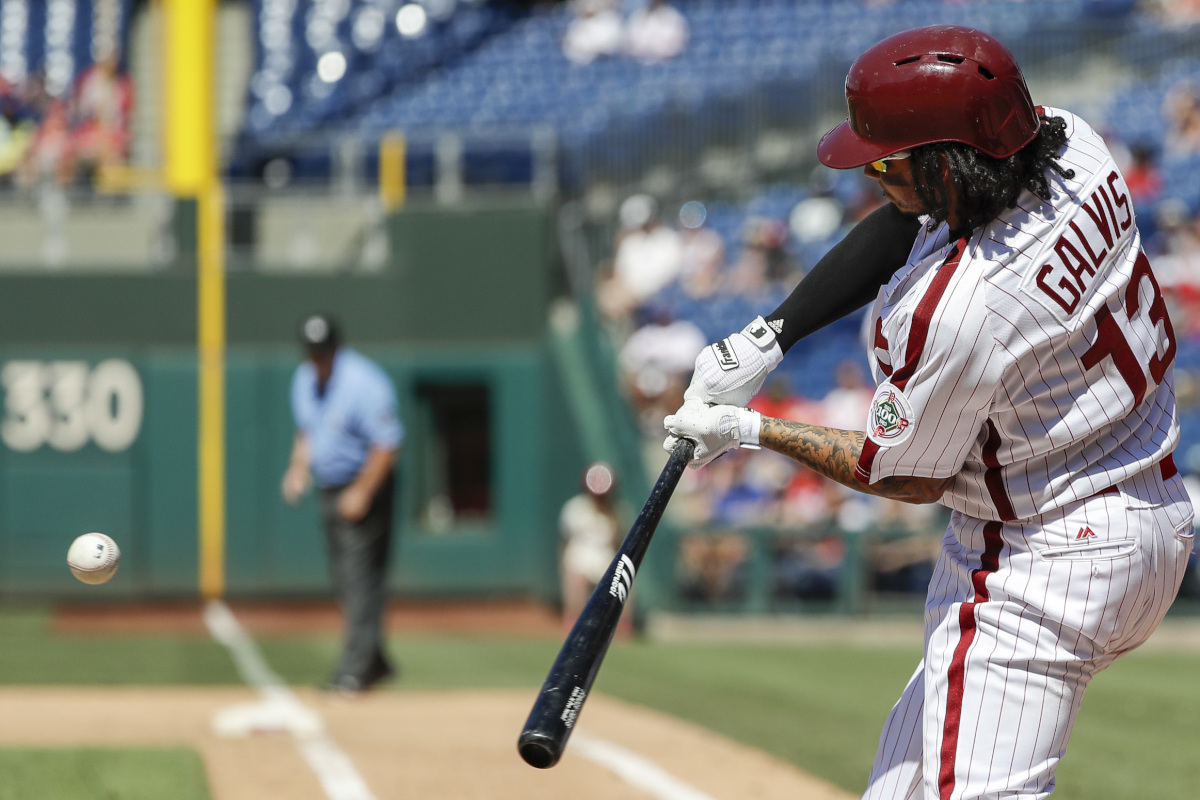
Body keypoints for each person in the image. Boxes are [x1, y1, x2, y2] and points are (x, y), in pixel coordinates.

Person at [663, 25, 1193, 799]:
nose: (872, 178)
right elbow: (922, 210)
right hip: (1155, 514)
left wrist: (751, 429)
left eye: (887, 163)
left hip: (1042, 560)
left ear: (949, 167)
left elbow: (902, 476)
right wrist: (772, 334)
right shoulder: (1076, 147)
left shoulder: (960, 307)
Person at [281, 314, 404, 695]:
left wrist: (363, 491)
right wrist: (297, 468)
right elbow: (307, 431)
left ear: (336, 349)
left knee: (360, 580)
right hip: (329, 488)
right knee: (345, 582)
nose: (317, 359)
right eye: (311, 352)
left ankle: (354, 670)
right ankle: (376, 660)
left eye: (323, 352)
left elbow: (387, 443)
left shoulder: (363, 381)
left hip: (363, 486)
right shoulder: (303, 379)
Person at [558, 462, 631, 635]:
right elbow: (565, 542)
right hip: (580, 559)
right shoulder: (575, 508)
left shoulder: (618, 511)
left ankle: (622, 625)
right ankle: (573, 622)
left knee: (624, 574)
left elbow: (620, 545)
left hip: (606, 561)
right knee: (574, 573)